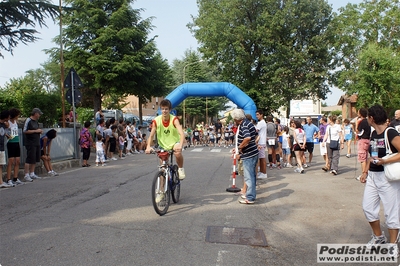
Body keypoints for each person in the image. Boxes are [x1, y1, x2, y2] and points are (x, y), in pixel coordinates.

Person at [359, 105, 400, 257]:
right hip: (373, 176)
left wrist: (384, 161)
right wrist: (365, 172)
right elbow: (372, 155)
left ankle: (393, 244)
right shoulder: (373, 133)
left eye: (368, 117)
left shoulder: (390, 132)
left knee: (391, 212)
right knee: (368, 208)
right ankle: (379, 237)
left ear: (372, 118)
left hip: (388, 177)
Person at [146, 99, 186, 179]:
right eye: (163, 109)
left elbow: (181, 134)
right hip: (163, 145)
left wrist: (180, 146)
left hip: (174, 143)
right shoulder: (156, 121)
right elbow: (151, 135)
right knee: (163, 169)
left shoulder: (174, 119)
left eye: (166, 109)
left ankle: (181, 169)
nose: (164, 111)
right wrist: (148, 146)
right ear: (161, 109)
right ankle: (161, 189)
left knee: (177, 153)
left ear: (170, 110)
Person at [231, 109, 258, 204]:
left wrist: (239, 147)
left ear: (236, 118)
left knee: (248, 176)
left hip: (248, 154)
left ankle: (250, 197)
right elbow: (254, 135)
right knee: (252, 176)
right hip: (252, 152)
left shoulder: (244, 125)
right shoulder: (248, 123)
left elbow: (247, 138)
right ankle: (251, 194)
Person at [23, 108, 44, 182]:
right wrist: (35, 131)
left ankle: (32, 173)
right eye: (39, 114)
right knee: (29, 158)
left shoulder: (36, 122)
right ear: (35, 114)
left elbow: (37, 129)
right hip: (30, 142)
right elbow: (25, 131)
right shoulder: (28, 120)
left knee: (35, 158)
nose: (39, 116)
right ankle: (26, 174)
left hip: (36, 141)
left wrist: (39, 131)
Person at [6, 108, 24, 186]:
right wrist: (7, 136)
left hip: (17, 141)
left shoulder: (15, 122)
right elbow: (4, 130)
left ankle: (15, 178)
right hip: (11, 142)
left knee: (17, 161)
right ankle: (8, 179)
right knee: (11, 161)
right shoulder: (8, 122)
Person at [356, 108, 371, 181]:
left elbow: (358, 131)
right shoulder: (369, 121)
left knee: (362, 158)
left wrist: (356, 125)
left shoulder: (361, 122)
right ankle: (366, 173)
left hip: (362, 140)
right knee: (367, 157)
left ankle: (364, 174)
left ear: (360, 114)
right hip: (368, 139)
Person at [0, 110, 12, 188]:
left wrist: (6, 135)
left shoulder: (3, 124)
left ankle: (1, 182)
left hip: (1, 146)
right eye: (8, 117)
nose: (9, 118)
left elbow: (3, 131)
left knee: (0, 165)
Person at [255, 109, 267, 179]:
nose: (257, 116)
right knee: (261, 158)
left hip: (261, 142)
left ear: (261, 115)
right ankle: (262, 172)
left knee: (262, 158)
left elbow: (255, 131)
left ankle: (264, 173)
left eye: (258, 115)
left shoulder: (261, 123)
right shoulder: (263, 122)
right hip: (262, 142)